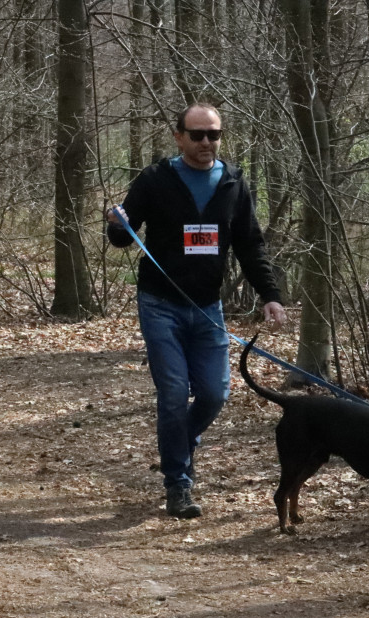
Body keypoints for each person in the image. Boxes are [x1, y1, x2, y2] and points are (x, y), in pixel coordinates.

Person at [106, 102, 287, 520]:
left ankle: (180, 444)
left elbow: (250, 245)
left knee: (214, 393)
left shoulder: (234, 182)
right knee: (173, 394)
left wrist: (270, 294)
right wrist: (116, 223)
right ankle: (178, 483)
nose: (207, 142)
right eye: (198, 134)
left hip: (208, 307)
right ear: (179, 137)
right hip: (160, 305)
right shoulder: (155, 179)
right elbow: (123, 237)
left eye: (214, 134)